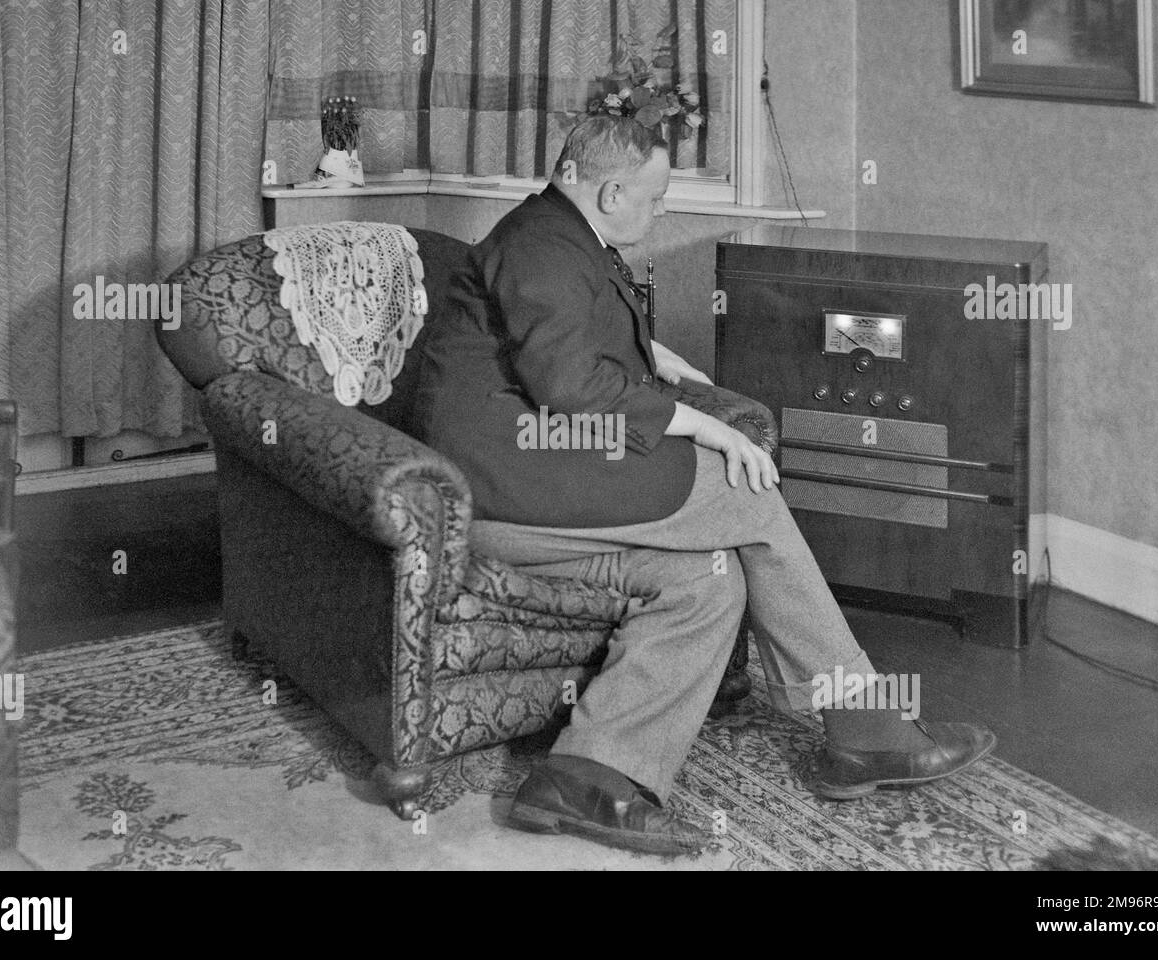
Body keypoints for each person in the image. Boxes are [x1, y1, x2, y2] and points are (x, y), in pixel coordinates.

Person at [413, 115, 995, 856]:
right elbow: (569, 386)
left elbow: (557, 329)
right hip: (501, 490)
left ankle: (586, 778)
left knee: (708, 581)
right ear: (612, 189)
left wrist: (649, 352)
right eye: (654, 199)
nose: (660, 213)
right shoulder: (541, 245)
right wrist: (706, 425)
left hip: (528, 476)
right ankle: (863, 722)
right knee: (741, 483)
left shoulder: (557, 233)